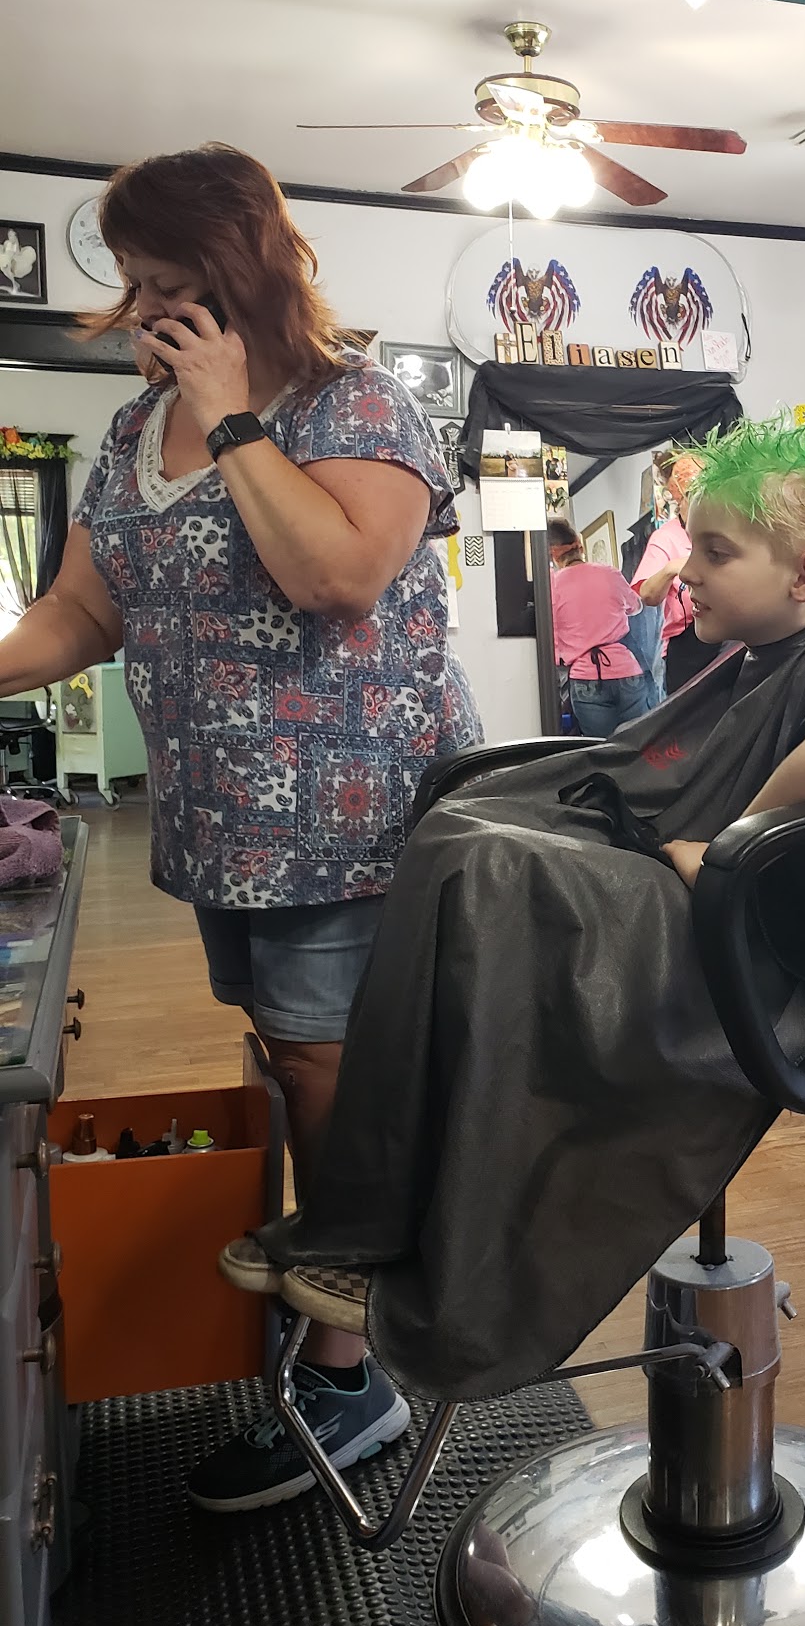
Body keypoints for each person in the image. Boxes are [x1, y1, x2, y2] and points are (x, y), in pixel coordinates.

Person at [228, 415, 805, 1406]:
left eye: (716, 552)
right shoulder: (764, 649)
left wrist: (728, 842)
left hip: (791, 940)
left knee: (485, 874)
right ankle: (375, 1221)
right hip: (737, 898)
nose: (684, 571)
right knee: (461, 834)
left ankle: (428, 1262)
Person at [0, 143, 481, 1511]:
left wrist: (229, 418)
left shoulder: (355, 403)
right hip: (225, 824)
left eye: (174, 280)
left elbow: (340, 576)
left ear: (245, 268)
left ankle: (351, 1369)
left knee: (330, 1071)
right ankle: (332, 1303)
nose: (152, 309)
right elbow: (85, 609)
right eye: (137, 282)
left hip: (353, 814)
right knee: (289, 1056)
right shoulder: (126, 433)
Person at [547, 518, 651, 738]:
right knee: (638, 743)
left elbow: (553, 643)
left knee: (601, 748)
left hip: (585, 677)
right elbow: (636, 606)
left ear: (552, 554)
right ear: (580, 545)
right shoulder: (609, 573)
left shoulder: (552, 585)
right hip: (627, 671)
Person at [631, 451, 723, 692]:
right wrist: (671, 569)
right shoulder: (666, 537)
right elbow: (647, 595)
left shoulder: (724, 527)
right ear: (679, 498)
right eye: (694, 496)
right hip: (688, 645)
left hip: (729, 633)